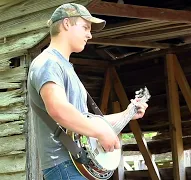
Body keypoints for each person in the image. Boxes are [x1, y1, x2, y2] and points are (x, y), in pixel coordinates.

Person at [27, 3, 148, 180]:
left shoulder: (64, 67)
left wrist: (128, 113)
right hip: (64, 165)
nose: (89, 35)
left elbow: (84, 121)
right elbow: (58, 109)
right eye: (85, 27)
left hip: (76, 165)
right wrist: (100, 132)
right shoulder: (48, 62)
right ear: (66, 24)